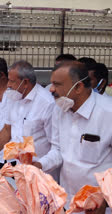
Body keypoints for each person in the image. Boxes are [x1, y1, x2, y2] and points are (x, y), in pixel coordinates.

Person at [33, 61, 112, 212]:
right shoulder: (60, 109)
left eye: (57, 84)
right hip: (68, 201)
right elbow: (58, 150)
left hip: (100, 205)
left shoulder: (108, 113)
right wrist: (39, 165)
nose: (51, 89)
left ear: (78, 87)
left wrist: (106, 197)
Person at [0, 61, 57, 181]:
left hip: (43, 174)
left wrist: (39, 165)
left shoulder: (47, 104)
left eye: (12, 81)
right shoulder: (13, 97)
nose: (8, 85)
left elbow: (57, 146)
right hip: (20, 170)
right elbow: (7, 129)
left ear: (25, 82)